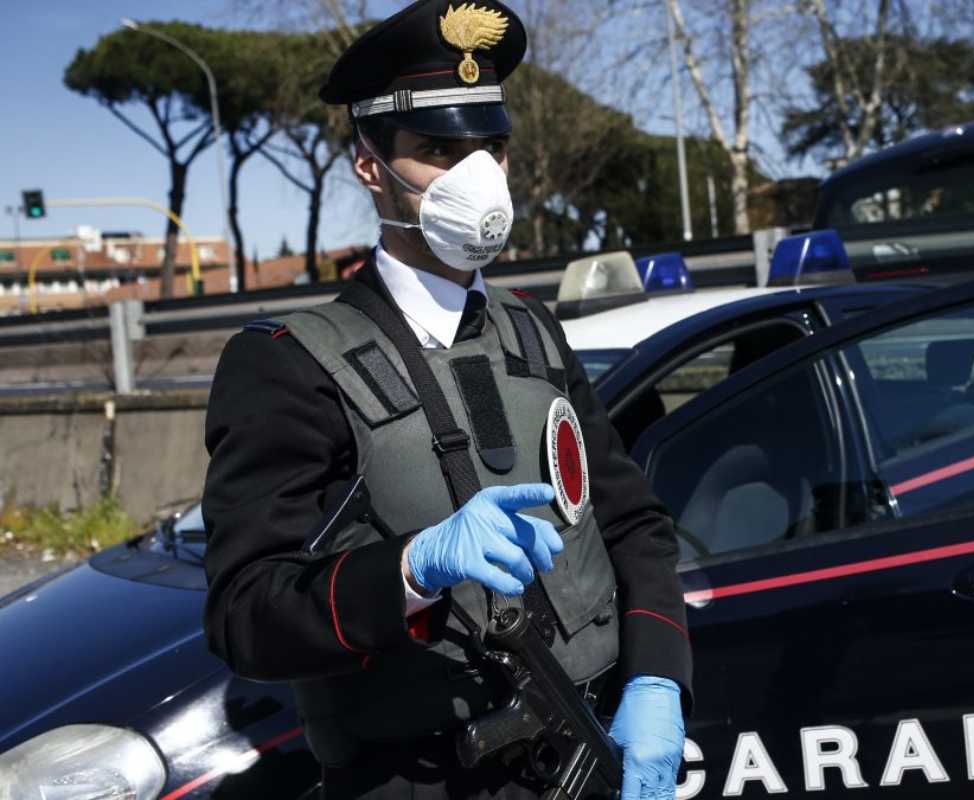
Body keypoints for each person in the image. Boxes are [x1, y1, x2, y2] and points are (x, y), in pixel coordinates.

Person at [200, 2, 692, 798]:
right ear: (370, 165)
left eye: (489, 148)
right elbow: (244, 614)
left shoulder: (534, 332)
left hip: (587, 755)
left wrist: (660, 680)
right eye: (437, 150)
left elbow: (633, 525)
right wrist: (407, 570)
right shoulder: (288, 365)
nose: (477, 179)